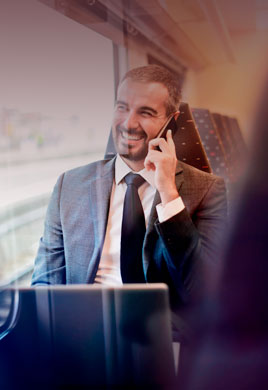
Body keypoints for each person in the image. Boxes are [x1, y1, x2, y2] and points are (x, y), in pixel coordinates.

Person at [31, 64, 227, 327]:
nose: (128, 123)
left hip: (164, 333)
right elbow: (46, 283)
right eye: (122, 107)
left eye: (145, 112)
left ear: (172, 121)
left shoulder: (207, 189)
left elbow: (204, 291)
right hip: (85, 329)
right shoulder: (70, 184)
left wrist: (169, 193)